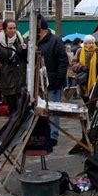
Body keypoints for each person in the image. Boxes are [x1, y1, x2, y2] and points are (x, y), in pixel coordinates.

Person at [38, 16, 68, 146]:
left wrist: (59, 80)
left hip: (53, 81)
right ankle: (43, 133)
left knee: (53, 109)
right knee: (41, 109)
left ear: (42, 30)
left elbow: (63, 61)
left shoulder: (55, 41)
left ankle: (53, 135)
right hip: (38, 82)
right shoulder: (34, 41)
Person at [0, 19, 27, 117]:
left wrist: (24, 50)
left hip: (20, 75)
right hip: (7, 76)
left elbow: (26, 58)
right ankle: (13, 127)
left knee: (22, 106)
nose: (13, 30)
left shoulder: (20, 39)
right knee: (12, 106)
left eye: (14, 28)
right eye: (10, 28)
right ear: (5, 29)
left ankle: (21, 128)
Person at [72, 34, 98, 116]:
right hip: (83, 78)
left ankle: (91, 113)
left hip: (95, 78)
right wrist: (81, 67)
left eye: (92, 43)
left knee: (93, 96)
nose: (91, 44)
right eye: (89, 43)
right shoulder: (79, 51)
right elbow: (73, 63)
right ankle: (90, 109)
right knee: (84, 96)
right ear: (85, 44)